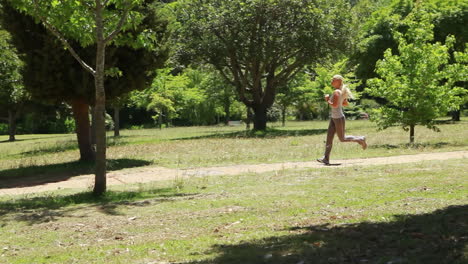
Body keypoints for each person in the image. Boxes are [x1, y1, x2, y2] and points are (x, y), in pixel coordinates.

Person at [317, 75, 367, 165]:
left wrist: (327, 99)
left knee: (342, 138)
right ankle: (326, 158)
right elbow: (345, 104)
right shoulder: (340, 91)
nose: (331, 81)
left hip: (338, 118)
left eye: (333, 80)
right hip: (334, 117)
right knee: (329, 138)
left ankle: (360, 139)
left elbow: (334, 105)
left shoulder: (337, 91)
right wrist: (339, 101)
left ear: (339, 81)